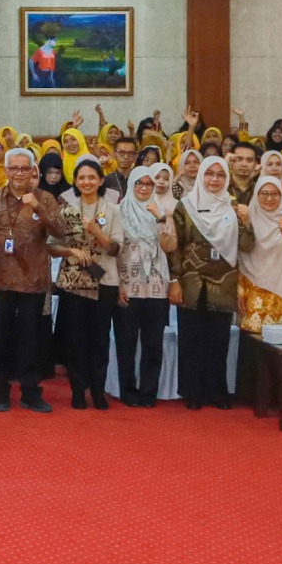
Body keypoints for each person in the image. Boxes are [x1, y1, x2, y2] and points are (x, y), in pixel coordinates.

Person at [0, 148, 56, 413]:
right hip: (0, 279)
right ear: (6, 170)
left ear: (33, 171)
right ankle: (0, 390)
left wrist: (38, 207)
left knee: (31, 338)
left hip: (34, 279)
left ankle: (31, 391)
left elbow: (60, 230)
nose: (19, 173)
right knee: (1, 336)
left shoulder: (45, 198)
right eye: (14, 168)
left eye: (24, 168)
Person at [171, 157, 240, 410]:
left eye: (220, 175)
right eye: (209, 173)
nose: (214, 179)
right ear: (201, 176)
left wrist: (245, 221)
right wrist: (174, 279)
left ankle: (216, 391)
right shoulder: (186, 206)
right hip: (192, 281)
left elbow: (246, 245)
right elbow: (176, 246)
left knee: (218, 340)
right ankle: (192, 392)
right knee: (191, 339)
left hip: (224, 281)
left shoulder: (233, 208)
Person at [52, 156, 120, 409]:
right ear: (75, 181)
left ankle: (98, 390)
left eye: (92, 177)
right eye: (82, 177)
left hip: (105, 281)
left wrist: (97, 232)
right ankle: (78, 389)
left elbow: (115, 249)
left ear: (101, 180)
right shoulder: (66, 210)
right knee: (76, 340)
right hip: (75, 283)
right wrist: (71, 251)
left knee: (99, 339)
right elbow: (51, 247)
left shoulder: (112, 210)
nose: (87, 181)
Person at [112, 163, 175, 407]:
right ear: (131, 184)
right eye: (139, 183)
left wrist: (159, 218)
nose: (144, 188)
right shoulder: (119, 212)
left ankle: (149, 392)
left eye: (149, 184)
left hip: (157, 286)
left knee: (153, 345)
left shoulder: (161, 211)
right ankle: (128, 391)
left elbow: (170, 246)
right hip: (127, 285)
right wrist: (117, 284)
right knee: (126, 343)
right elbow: (111, 252)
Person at [236, 176, 282, 333]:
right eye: (264, 193)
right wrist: (240, 290)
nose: (269, 198)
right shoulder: (247, 219)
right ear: (256, 194)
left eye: (275, 194)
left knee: (278, 339)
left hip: (280, 291)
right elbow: (240, 257)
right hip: (252, 291)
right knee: (251, 340)